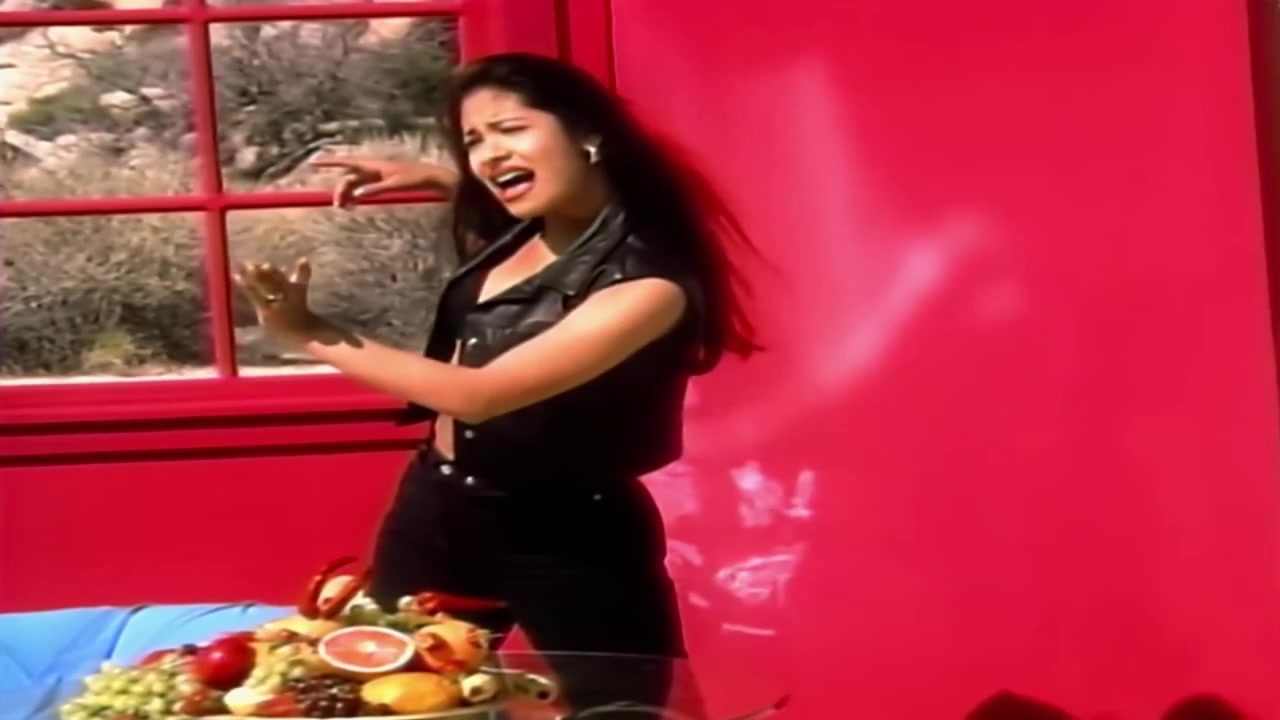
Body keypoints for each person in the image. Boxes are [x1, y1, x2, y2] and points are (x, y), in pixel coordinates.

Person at [234, 52, 762, 715]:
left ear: (589, 134)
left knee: (622, 712)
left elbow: (480, 394)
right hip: (437, 507)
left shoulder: (648, 285)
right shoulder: (532, 228)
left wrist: (309, 332)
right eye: (474, 141)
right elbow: (523, 194)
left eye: (510, 129)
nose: (488, 156)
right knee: (387, 697)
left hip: (568, 534)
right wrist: (434, 176)